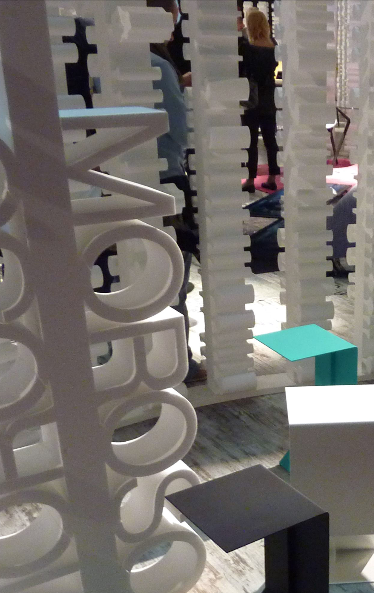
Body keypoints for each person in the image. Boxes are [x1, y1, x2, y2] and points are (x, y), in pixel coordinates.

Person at [148, 0, 205, 385]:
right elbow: (179, 130)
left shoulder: (110, 59)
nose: (173, 28)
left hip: (124, 179)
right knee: (174, 277)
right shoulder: (158, 64)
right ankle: (180, 364)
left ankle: (151, 363)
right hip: (167, 177)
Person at [240, 8, 280, 193]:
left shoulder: (248, 48)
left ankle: (250, 179)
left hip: (252, 97)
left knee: (251, 141)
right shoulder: (273, 45)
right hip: (269, 97)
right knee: (270, 138)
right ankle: (272, 177)